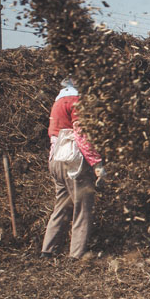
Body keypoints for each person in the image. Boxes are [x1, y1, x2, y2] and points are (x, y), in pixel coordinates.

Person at [41, 79, 106, 259]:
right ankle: (77, 254)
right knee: (83, 206)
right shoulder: (77, 102)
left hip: (55, 159)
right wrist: (97, 164)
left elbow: (53, 132)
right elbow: (82, 135)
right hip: (73, 162)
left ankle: (48, 250)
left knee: (61, 205)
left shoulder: (58, 101)